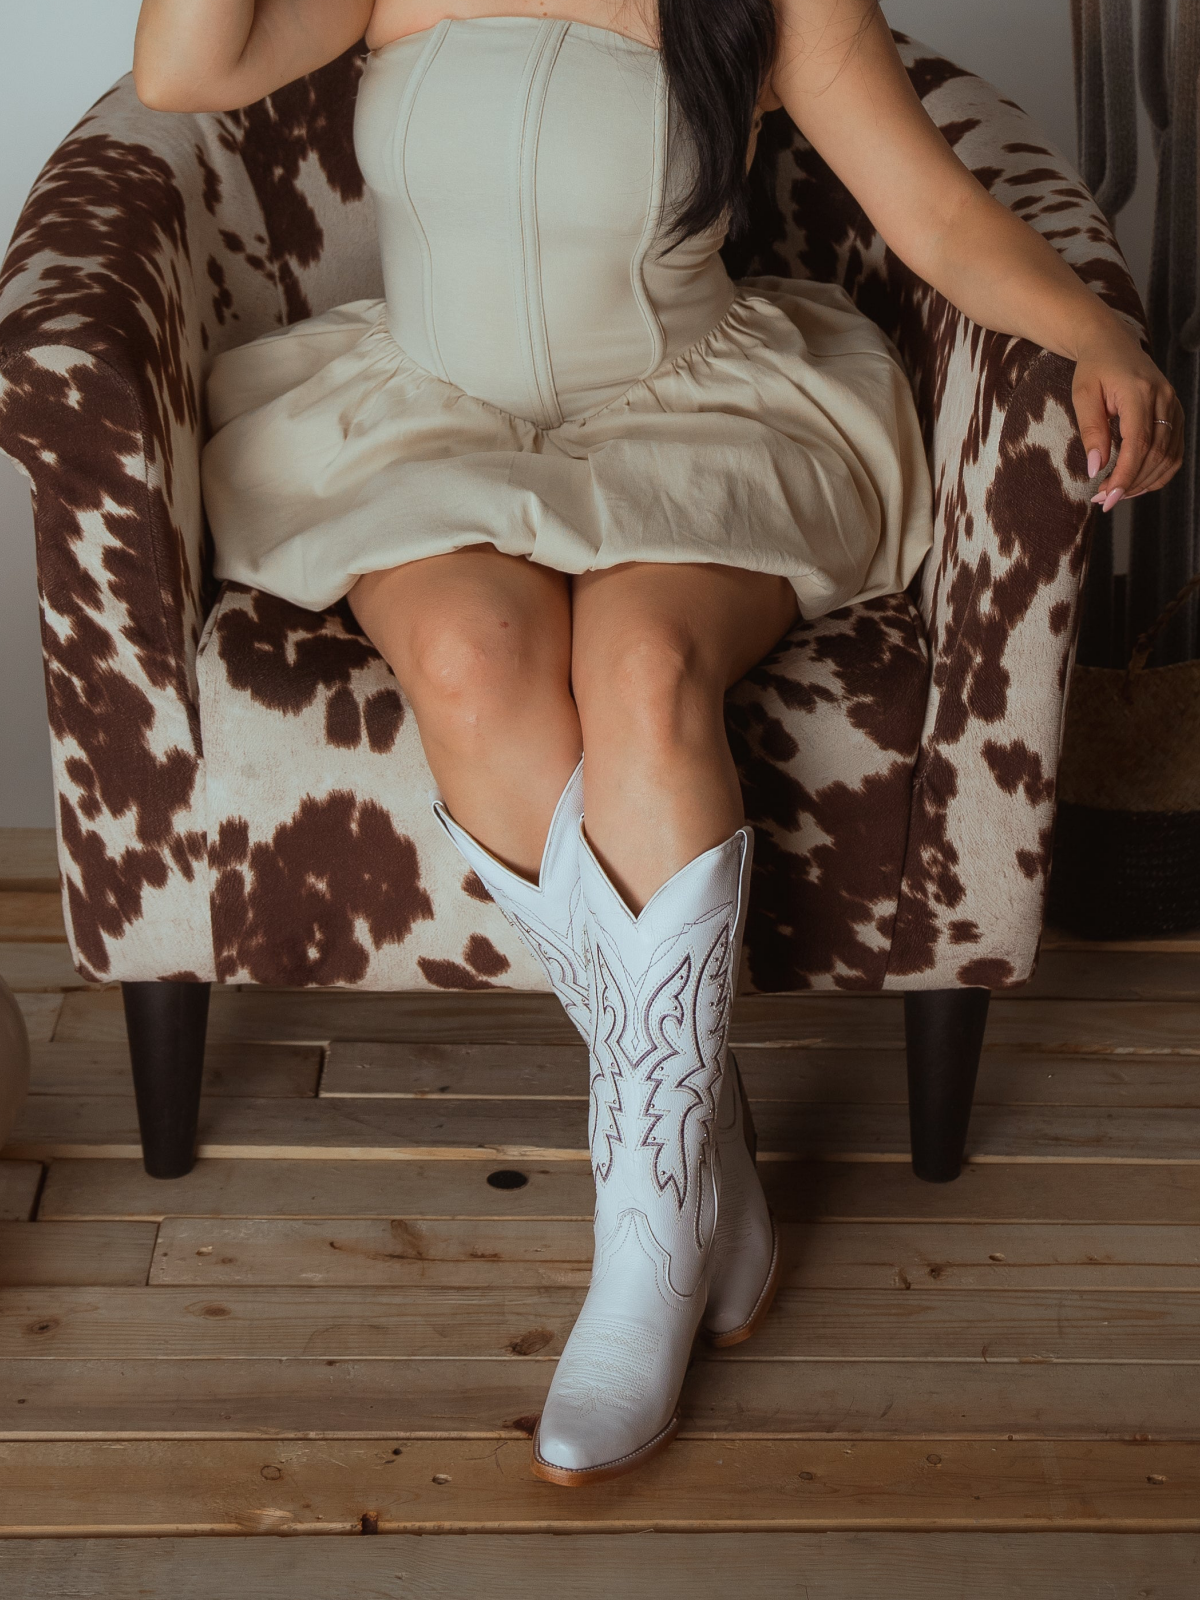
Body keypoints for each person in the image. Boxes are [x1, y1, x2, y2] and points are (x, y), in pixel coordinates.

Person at [134, 0, 1184, 1485]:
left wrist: (1095, 331)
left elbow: (933, 208)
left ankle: (640, 1256)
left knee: (641, 670)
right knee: (468, 657)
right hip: (428, 410)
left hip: (697, 408)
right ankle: (699, 1159)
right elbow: (180, 63)